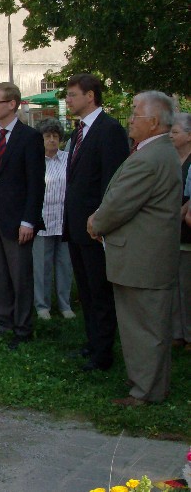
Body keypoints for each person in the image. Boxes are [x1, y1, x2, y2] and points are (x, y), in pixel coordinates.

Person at [88, 91, 181, 406]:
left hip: (143, 258)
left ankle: (145, 392)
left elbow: (119, 204)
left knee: (144, 328)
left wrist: (96, 222)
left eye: (135, 113)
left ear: (153, 122)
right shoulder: (158, 152)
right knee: (146, 326)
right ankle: (149, 385)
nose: (129, 118)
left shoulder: (151, 157)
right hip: (145, 255)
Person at [63, 73, 129, 371]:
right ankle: (92, 343)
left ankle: (103, 353)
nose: (68, 100)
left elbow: (111, 181)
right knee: (87, 290)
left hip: (95, 226)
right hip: (76, 225)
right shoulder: (79, 131)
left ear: (91, 96)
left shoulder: (109, 129)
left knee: (100, 291)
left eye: (73, 94)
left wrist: (101, 221)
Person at [0, 82, 45, 350]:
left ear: (11, 104)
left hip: (18, 221)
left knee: (20, 275)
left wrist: (29, 220)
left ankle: (23, 327)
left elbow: (36, 183)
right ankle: (4, 322)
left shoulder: (29, 137)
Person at [32, 118, 75, 320]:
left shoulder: (69, 159)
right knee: (42, 266)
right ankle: (42, 306)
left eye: (55, 136)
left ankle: (65, 304)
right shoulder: (34, 160)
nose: (51, 140)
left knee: (65, 265)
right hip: (42, 222)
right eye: (47, 136)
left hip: (65, 221)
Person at [170, 112, 191, 349]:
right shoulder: (171, 159)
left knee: (187, 287)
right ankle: (176, 332)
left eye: (175, 132)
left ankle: (189, 334)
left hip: (186, 232)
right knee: (173, 285)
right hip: (169, 232)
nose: (171, 136)